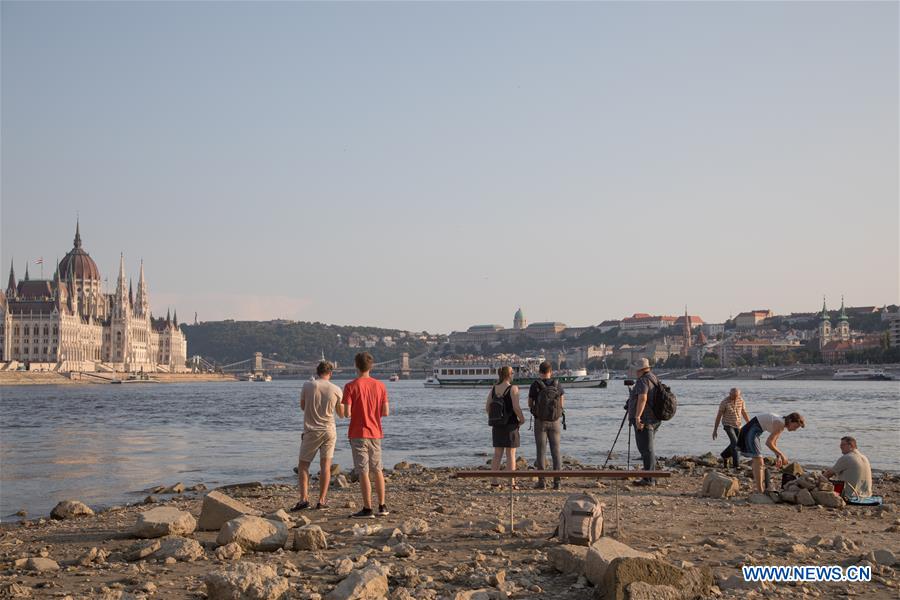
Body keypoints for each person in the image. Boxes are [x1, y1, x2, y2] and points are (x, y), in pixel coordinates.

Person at [291, 360, 345, 511]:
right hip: (329, 430)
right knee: (325, 467)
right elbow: (341, 414)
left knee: (303, 466)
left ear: (317, 372)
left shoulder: (307, 385)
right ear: (331, 373)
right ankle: (321, 501)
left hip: (311, 430)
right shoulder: (336, 389)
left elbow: (303, 407)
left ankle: (304, 500)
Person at [342, 352, 390, 519]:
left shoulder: (350, 386)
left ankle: (367, 508)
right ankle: (382, 506)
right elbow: (385, 412)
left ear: (356, 365)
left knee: (363, 471)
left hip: (358, 433)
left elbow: (347, 413)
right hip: (375, 432)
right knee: (377, 469)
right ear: (371, 366)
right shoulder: (380, 386)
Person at [738, 412, 805, 493]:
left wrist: (778, 457)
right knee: (759, 461)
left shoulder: (781, 424)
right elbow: (768, 443)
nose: (795, 430)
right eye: (795, 426)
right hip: (750, 431)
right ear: (790, 421)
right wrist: (782, 455)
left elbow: (774, 442)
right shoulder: (780, 424)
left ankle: (761, 489)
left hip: (754, 431)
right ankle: (760, 491)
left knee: (758, 462)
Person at [486, 366, 525, 488]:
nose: (514, 374)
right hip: (511, 424)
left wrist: (496, 417)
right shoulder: (513, 388)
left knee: (497, 454)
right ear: (509, 375)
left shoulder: (494, 388)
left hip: (497, 425)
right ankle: (511, 483)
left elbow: (487, 407)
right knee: (511, 454)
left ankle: (494, 481)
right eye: (513, 372)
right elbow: (516, 407)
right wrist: (522, 419)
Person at [528, 361, 565, 490]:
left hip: (540, 421)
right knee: (556, 451)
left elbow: (529, 403)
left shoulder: (535, 385)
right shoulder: (557, 384)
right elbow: (561, 403)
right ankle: (557, 483)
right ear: (551, 371)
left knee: (541, 451)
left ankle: (542, 482)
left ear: (540, 372)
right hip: (555, 421)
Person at [628, 357, 661, 486]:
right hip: (654, 418)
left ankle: (649, 479)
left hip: (645, 419)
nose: (636, 372)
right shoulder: (653, 378)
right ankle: (651, 476)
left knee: (646, 449)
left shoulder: (643, 380)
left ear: (640, 370)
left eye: (637, 370)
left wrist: (637, 417)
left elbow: (643, 398)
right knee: (648, 449)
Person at [712, 388, 750, 470]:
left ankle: (724, 455)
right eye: (733, 396)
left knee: (738, 443)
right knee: (735, 443)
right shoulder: (724, 402)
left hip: (738, 425)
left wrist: (749, 424)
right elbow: (719, 416)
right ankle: (736, 465)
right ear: (730, 394)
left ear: (739, 395)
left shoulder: (741, 400)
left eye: (737, 396)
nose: (735, 398)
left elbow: (744, 412)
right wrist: (715, 430)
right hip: (728, 425)